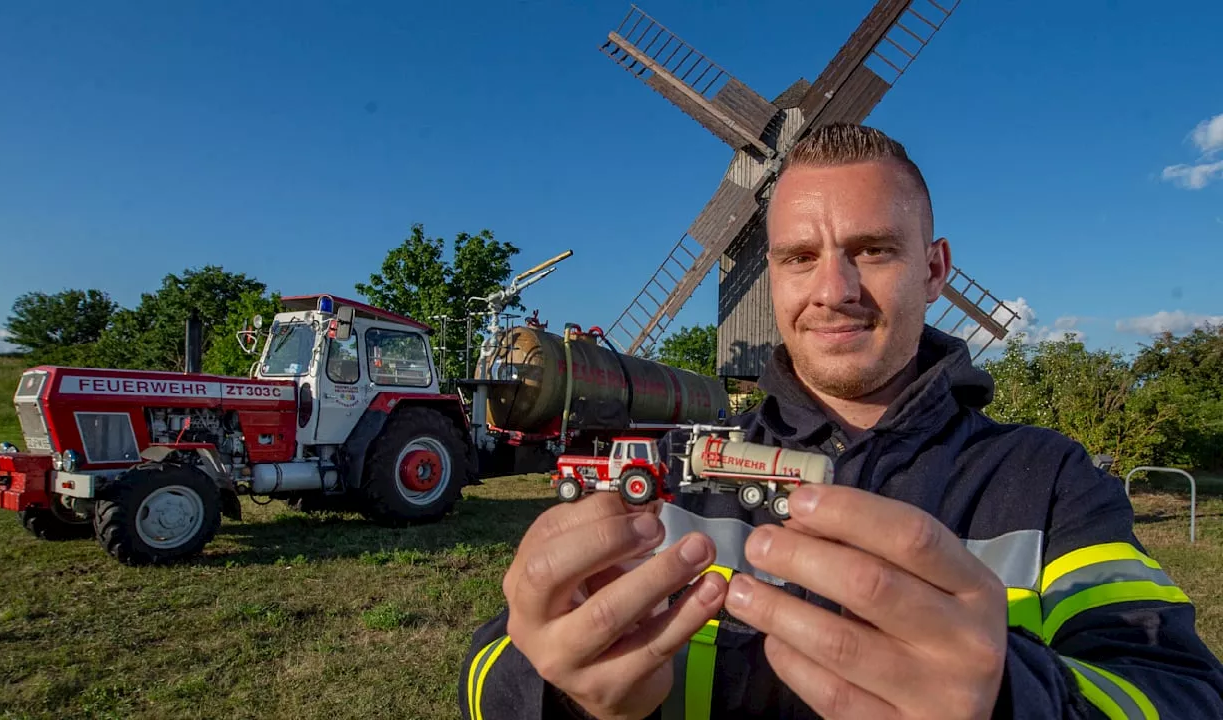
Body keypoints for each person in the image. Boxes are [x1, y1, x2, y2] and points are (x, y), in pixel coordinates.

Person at [457, 122, 1223, 719]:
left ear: (934, 268)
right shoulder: (678, 472)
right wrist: (561, 689)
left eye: (873, 250)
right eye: (798, 257)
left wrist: (1013, 700)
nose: (834, 289)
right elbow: (492, 668)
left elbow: (1183, 694)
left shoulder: (1050, 482)